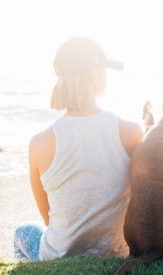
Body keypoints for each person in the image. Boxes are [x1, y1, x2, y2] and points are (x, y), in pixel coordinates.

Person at [14, 37, 143, 261]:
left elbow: (48, 219)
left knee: (22, 232)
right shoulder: (131, 132)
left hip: (58, 257)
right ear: (93, 73)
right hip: (115, 253)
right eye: (103, 69)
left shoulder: (40, 143)